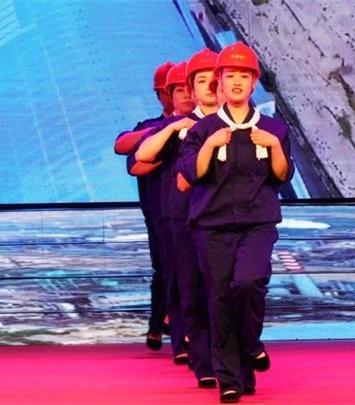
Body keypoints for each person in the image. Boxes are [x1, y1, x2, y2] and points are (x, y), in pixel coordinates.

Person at [178, 42, 294, 403]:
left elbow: (282, 175)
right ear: (221, 82)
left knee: (249, 282)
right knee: (220, 299)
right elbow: (191, 174)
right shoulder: (203, 129)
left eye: (245, 76)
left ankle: (251, 345)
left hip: (257, 223)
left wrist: (273, 146)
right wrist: (210, 144)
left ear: (254, 82)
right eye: (231, 76)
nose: (238, 82)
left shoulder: (273, 129)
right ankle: (233, 378)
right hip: (212, 227)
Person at [136, 48, 222, 388]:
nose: (189, 94)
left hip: (220, 218)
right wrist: (172, 134)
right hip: (174, 216)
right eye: (184, 88)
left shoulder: (235, 123)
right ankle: (190, 348)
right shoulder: (168, 129)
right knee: (181, 280)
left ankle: (225, 351)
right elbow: (135, 157)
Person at [113, 61, 173, 351]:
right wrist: (161, 135)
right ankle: (158, 323)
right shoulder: (150, 128)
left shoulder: (200, 125)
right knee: (164, 267)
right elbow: (126, 152)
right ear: (160, 95)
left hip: (195, 211)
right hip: (159, 211)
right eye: (169, 91)